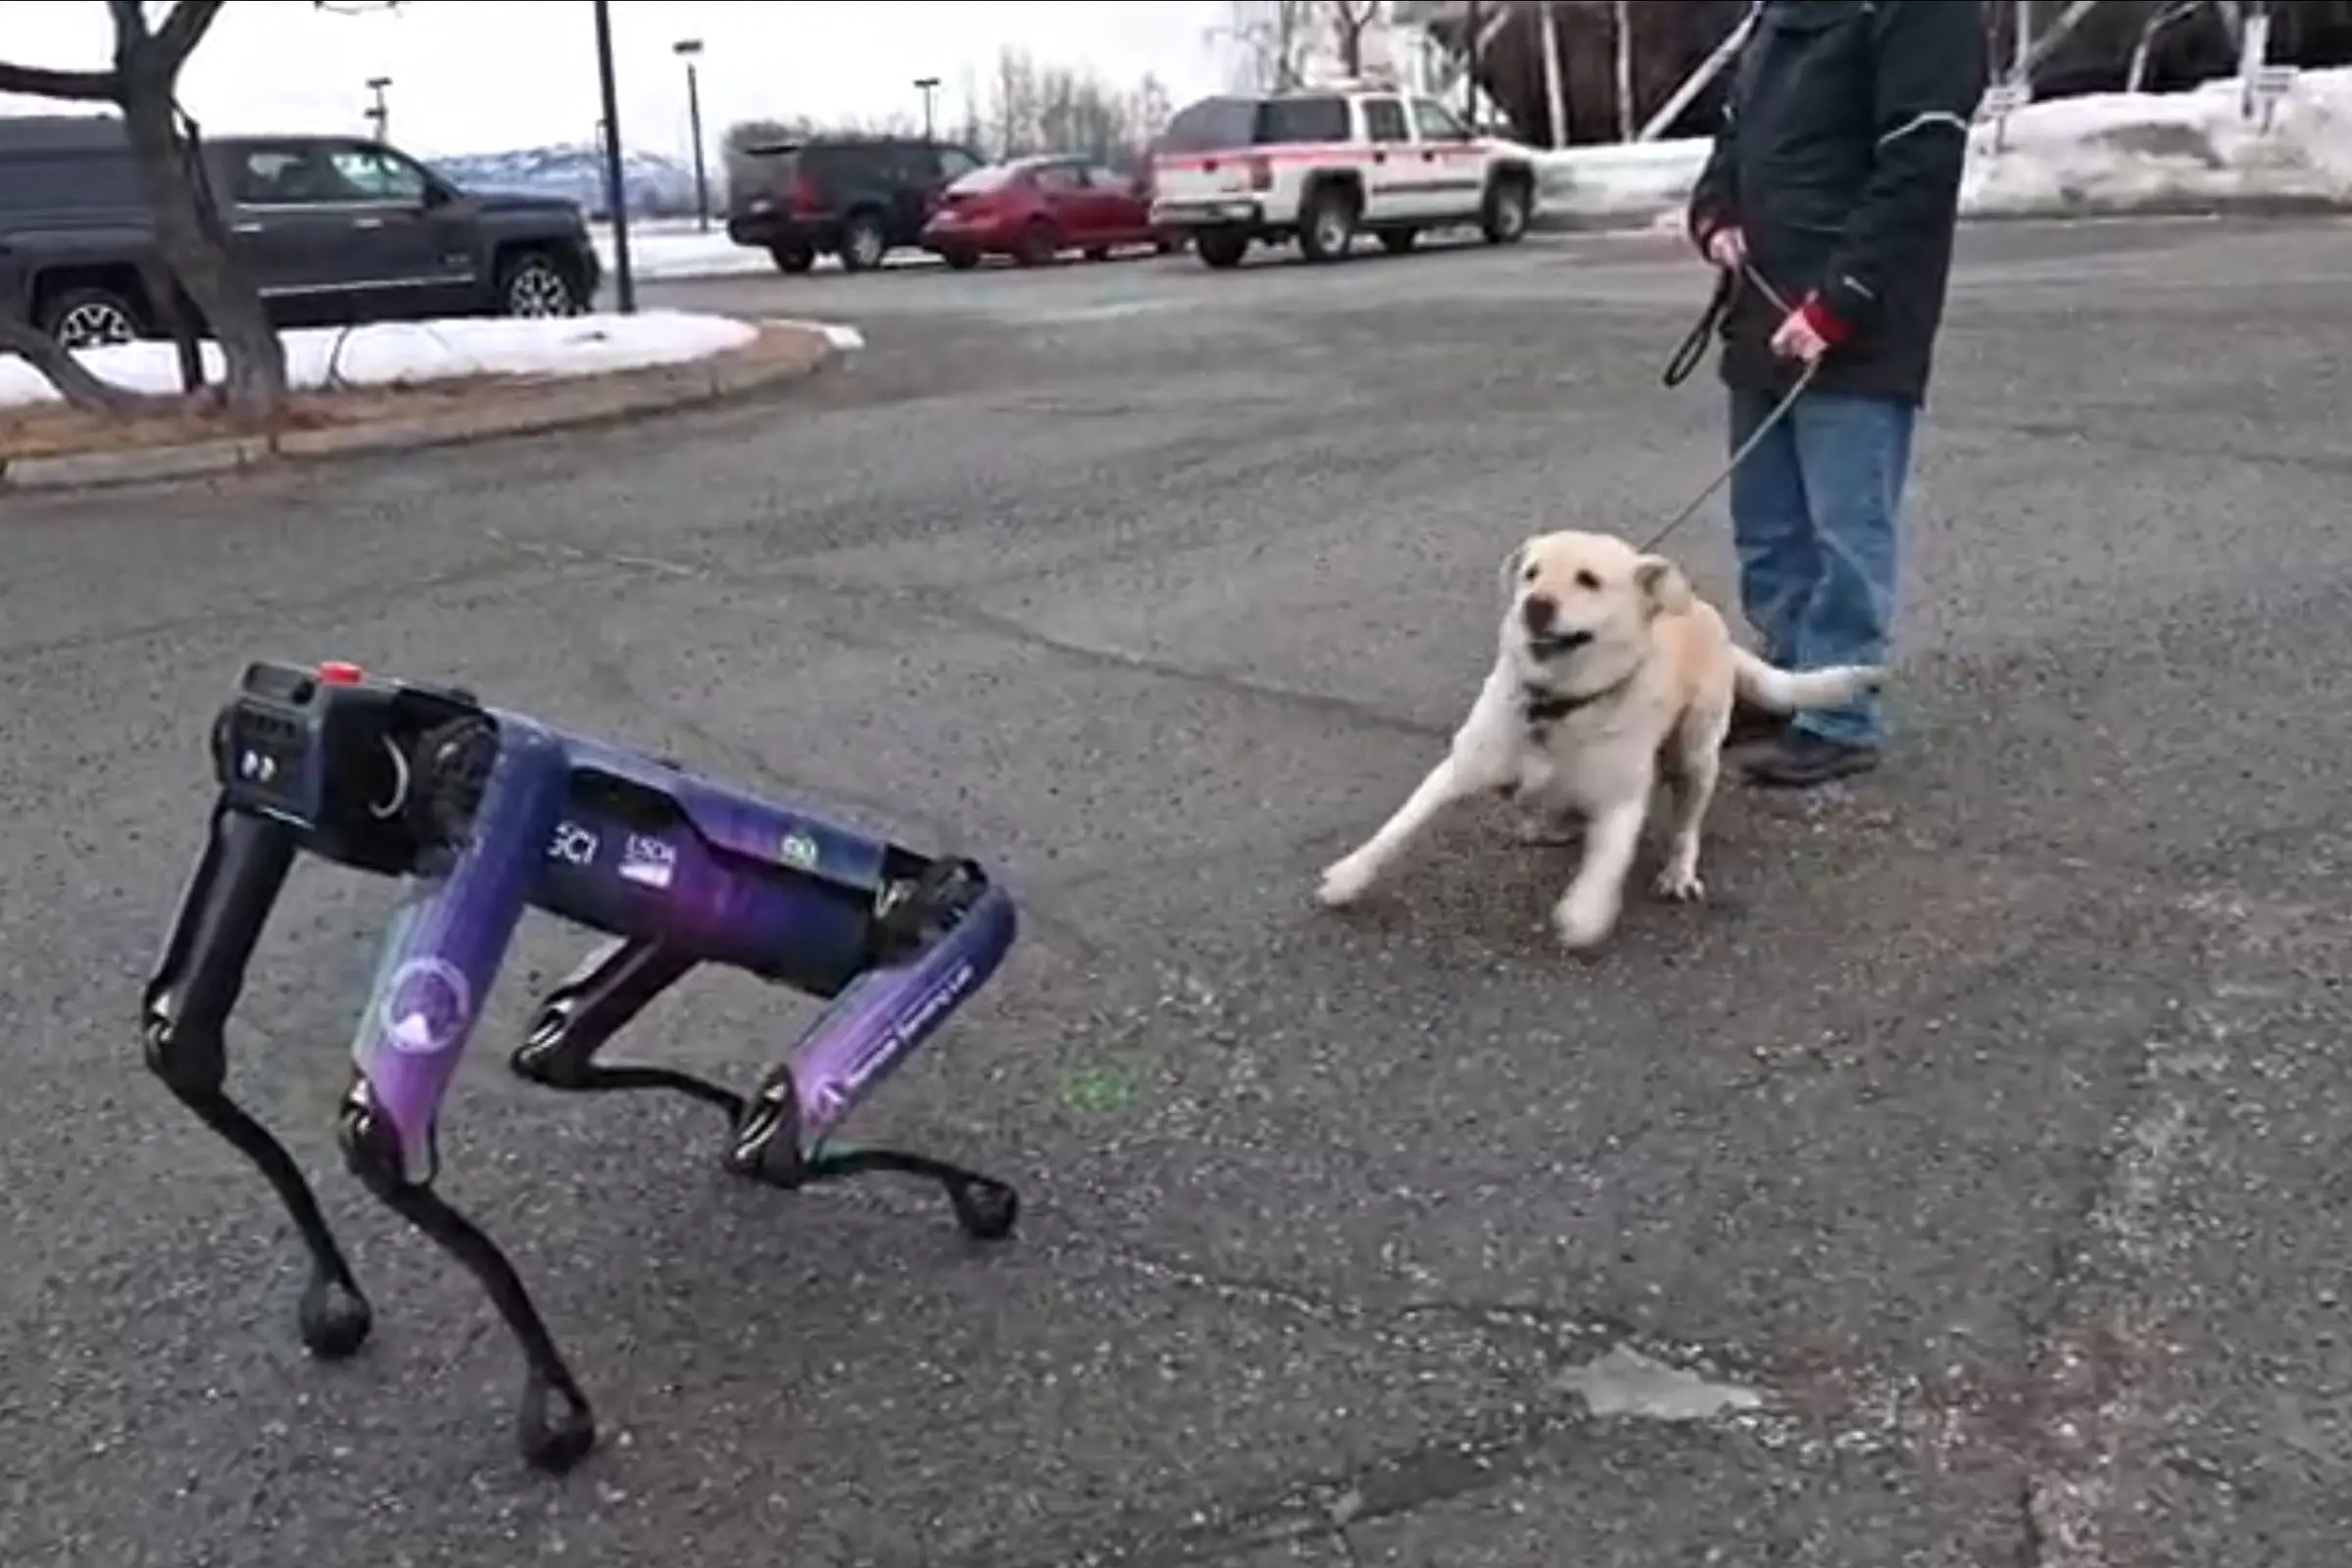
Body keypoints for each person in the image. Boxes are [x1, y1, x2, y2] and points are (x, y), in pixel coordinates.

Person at [1685, 0, 1988, 788]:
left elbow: (1918, 167)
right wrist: (1715, 209)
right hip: (1762, 305)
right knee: (1767, 525)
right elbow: (1735, 129)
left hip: (1855, 316)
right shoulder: (1779, 13)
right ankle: (1789, 683)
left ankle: (1841, 712)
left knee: (1846, 529)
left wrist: (1843, 297)